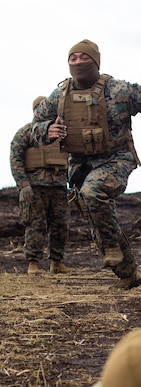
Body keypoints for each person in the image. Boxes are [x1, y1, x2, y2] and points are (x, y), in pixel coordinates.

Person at [31, 39, 141, 290]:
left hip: (116, 158)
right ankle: (128, 275)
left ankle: (113, 248)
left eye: (84, 58)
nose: (78, 62)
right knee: (96, 216)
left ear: (95, 62)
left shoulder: (120, 90)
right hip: (81, 164)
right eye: (73, 58)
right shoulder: (59, 96)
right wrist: (47, 130)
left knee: (93, 193)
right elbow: (36, 125)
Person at [9, 96, 70, 275]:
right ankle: (33, 264)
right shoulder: (26, 133)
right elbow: (15, 158)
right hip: (35, 187)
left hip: (59, 185)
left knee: (61, 224)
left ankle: (57, 263)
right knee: (35, 224)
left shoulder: (61, 133)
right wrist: (23, 185)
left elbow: (72, 158)